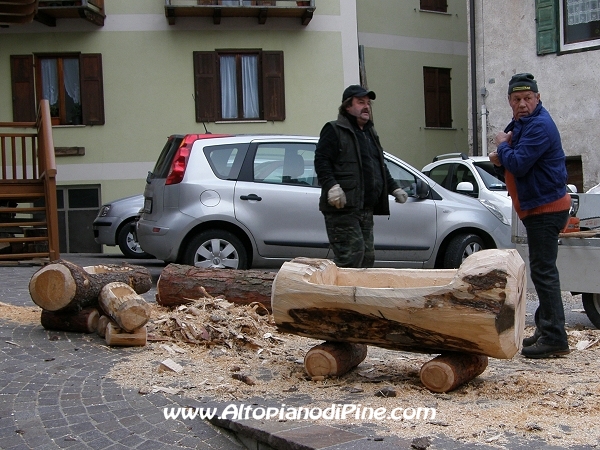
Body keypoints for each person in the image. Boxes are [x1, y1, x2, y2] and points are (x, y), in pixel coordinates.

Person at [489, 73, 571, 359]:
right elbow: (514, 166)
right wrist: (502, 159)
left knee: (545, 273)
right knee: (542, 271)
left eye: (527, 98)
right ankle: (546, 328)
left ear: (538, 98)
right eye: (516, 99)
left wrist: (501, 146)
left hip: (546, 209)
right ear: (510, 101)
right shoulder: (524, 125)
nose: (522, 104)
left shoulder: (539, 126)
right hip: (538, 206)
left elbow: (520, 164)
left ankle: (555, 338)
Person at [314, 84, 407, 268]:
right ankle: (339, 296)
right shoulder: (334, 130)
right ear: (348, 106)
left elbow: (378, 166)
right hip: (343, 209)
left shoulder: (370, 133)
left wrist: (393, 187)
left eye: (368, 103)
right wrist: (332, 186)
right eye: (360, 102)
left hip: (365, 209)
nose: (366, 107)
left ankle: (357, 296)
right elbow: (321, 161)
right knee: (351, 258)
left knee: (367, 258)